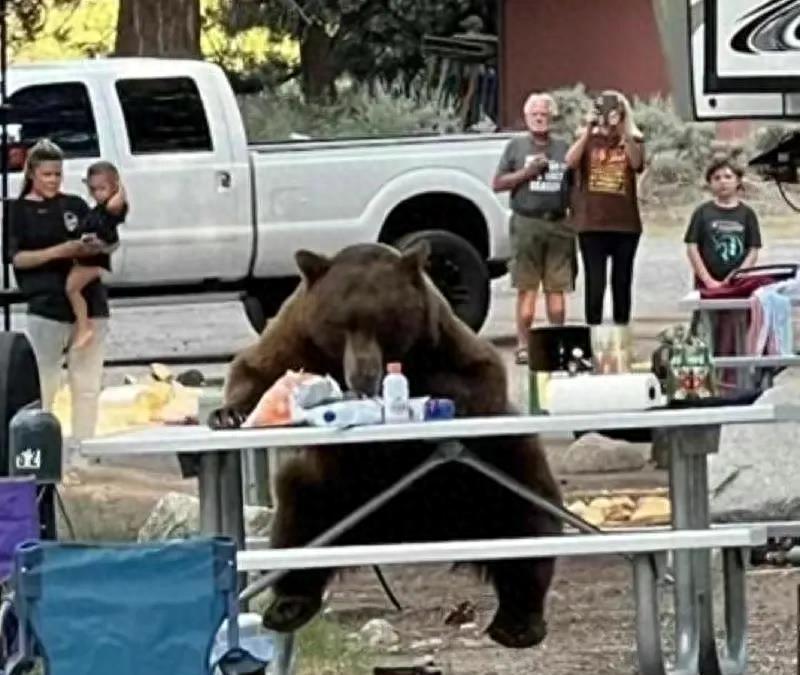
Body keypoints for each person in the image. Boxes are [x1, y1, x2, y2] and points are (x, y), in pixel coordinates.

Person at [9, 139, 110, 443]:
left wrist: (92, 246)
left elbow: (103, 243)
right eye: (46, 175)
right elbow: (18, 258)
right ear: (32, 175)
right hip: (46, 307)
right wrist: (58, 251)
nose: (53, 180)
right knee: (44, 385)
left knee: (87, 385)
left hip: (90, 305)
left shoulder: (75, 206)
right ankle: (43, 454)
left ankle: (84, 451)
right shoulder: (18, 211)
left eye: (57, 174)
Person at [493, 92, 575, 365]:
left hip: (559, 223)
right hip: (526, 222)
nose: (540, 118)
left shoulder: (564, 148)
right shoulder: (516, 147)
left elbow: (577, 185)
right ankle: (524, 345)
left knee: (557, 289)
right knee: (527, 288)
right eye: (534, 114)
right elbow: (499, 183)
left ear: (551, 118)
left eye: (544, 114)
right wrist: (527, 174)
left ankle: (558, 343)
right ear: (526, 117)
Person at [565, 89, 645, 327]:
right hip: (592, 223)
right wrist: (589, 130)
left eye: (614, 110)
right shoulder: (586, 138)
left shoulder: (634, 139)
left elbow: (637, 163)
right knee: (595, 282)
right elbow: (570, 162)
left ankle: (621, 332)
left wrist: (622, 131)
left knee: (622, 282)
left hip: (625, 224)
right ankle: (594, 333)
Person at [67, 161, 127, 350]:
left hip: (96, 258)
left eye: (102, 188)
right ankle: (83, 326)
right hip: (89, 255)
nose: (97, 193)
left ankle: (84, 327)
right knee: (73, 288)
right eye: (93, 189)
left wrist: (119, 188)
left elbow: (117, 204)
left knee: (72, 289)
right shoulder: (97, 209)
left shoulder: (112, 207)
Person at [684, 156, 761, 289]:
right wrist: (708, 280)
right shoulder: (701, 212)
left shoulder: (748, 214)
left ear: (738, 181)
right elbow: (692, 248)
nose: (722, 181)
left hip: (738, 284)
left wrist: (737, 276)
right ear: (710, 183)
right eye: (717, 178)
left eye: (728, 176)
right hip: (706, 285)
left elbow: (753, 250)